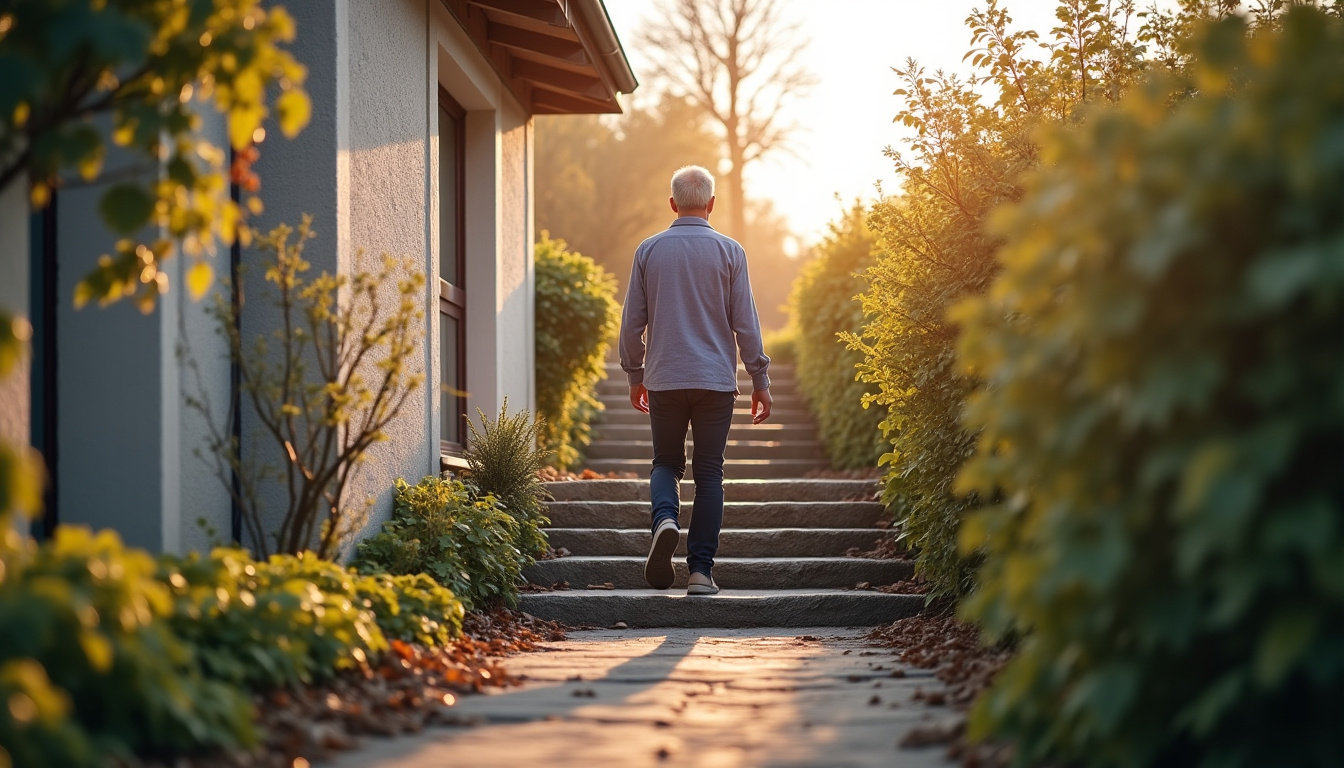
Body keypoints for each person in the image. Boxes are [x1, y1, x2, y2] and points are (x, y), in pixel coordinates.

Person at [619, 164, 772, 596]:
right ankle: (700, 573)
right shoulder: (730, 252)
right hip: (715, 382)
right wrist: (759, 378)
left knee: (666, 463)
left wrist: (635, 373)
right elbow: (746, 322)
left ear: (672, 204)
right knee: (709, 473)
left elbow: (632, 323)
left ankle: (665, 518)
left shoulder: (648, 250)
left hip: (664, 377)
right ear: (711, 204)